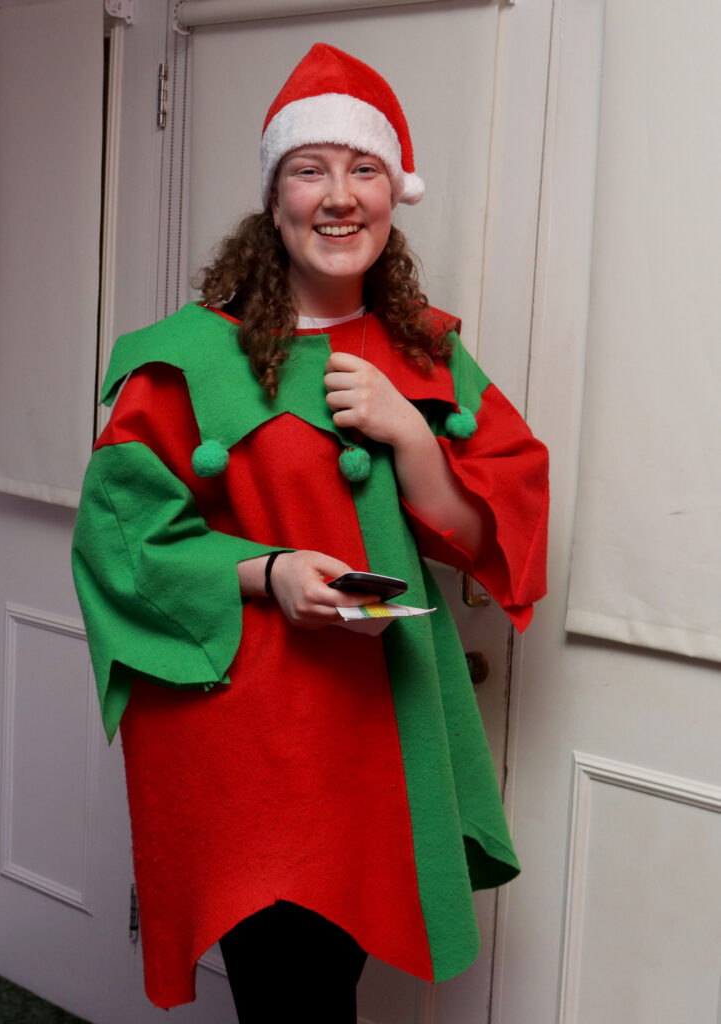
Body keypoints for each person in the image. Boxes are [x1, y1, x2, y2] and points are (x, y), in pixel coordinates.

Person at [72, 43, 549, 1023]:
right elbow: (122, 543)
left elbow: (489, 536)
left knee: (328, 987)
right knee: (291, 993)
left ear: (392, 193)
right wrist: (272, 570)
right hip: (250, 740)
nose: (339, 196)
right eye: (309, 169)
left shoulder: (426, 354)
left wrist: (412, 435)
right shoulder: (187, 359)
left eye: (363, 168)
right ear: (274, 199)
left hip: (376, 732)